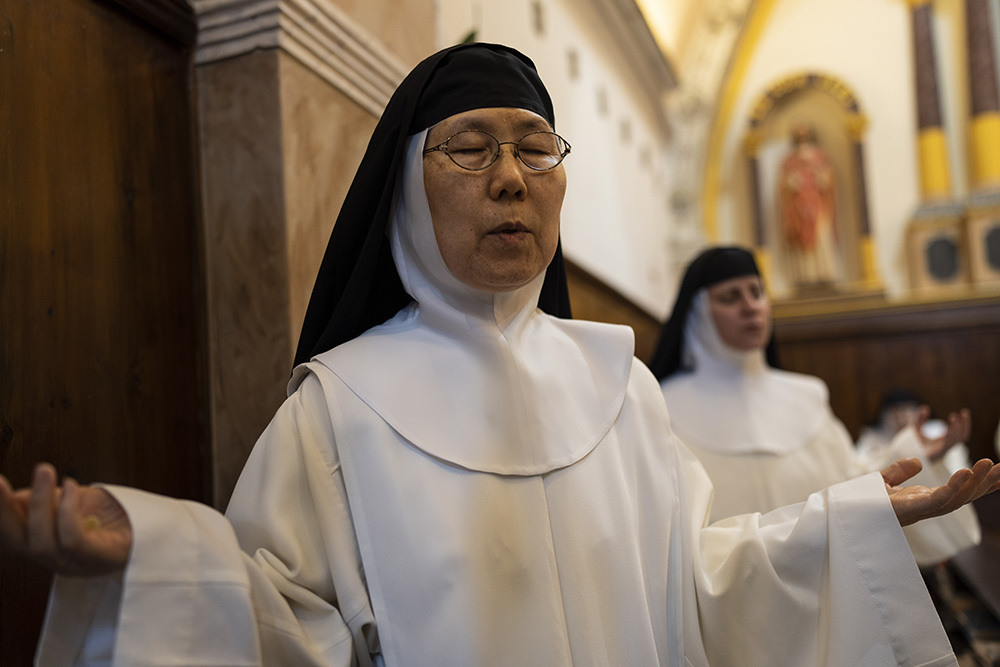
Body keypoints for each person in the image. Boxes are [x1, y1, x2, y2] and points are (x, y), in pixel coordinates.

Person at [2, 44, 999, 667]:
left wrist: (849, 520)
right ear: (406, 187)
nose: (511, 179)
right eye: (468, 148)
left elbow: (697, 583)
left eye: (535, 148)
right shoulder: (340, 406)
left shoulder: (620, 387)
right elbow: (286, 620)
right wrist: (152, 555)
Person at [647, 245, 982, 567]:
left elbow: (847, 480)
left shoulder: (807, 395)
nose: (750, 306)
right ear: (699, 312)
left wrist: (919, 454)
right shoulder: (665, 405)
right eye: (730, 297)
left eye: (756, 292)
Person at [857, 387, 971, 476]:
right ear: (883, 415)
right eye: (895, 412)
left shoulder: (937, 431)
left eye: (906, 410)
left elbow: (957, 467)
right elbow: (859, 468)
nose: (901, 418)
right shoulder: (872, 437)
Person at [779, 122, 839, 286]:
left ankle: (824, 274)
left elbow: (828, 180)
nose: (802, 138)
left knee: (821, 239)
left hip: (819, 206)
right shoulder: (790, 161)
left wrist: (819, 177)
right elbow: (785, 184)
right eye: (799, 136)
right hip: (799, 208)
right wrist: (794, 182)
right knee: (802, 243)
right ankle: (806, 277)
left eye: (805, 135)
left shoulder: (820, 157)